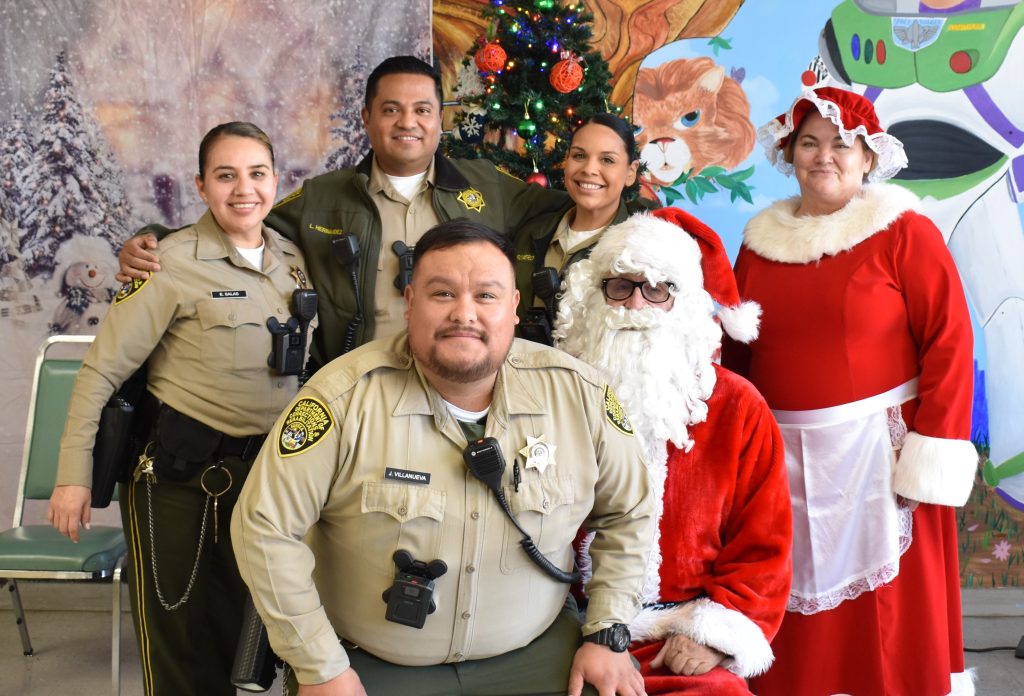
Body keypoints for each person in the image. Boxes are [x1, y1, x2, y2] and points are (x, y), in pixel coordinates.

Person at [230, 219, 655, 696]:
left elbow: (630, 512)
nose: (464, 313)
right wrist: (320, 666)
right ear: (410, 303)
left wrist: (607, 632)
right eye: (443, 294)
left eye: (486, 295)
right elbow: (264, 528)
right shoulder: (339, 400)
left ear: (514, 308)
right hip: (370, 664)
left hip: (534, 652)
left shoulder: (581, 396)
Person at [721, 86, 977, 695]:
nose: (824, 156)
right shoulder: (757, 247)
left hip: (880, 457)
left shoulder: (904, 233)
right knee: (790, 606)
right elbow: (737, 357)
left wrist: (930, 444)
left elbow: (949, 340)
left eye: (841, 145)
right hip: (783, 462)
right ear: (790, 154)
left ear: (868, 157)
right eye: (809, 143)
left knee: (890, 623)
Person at [48, 122, 315, 696]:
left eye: (257, 173)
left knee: (237, 640)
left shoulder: (291, 259)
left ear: (276, 180)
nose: (243, 189)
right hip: (176, 480)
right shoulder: (167, 263)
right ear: (201, 185)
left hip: (259, 480)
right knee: (178, 643)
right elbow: (100, 372)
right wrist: (72, 477)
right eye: (225, 175)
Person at [118, 56, 567, 369]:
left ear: (439, 120)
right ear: (367, 118)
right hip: (359, 392)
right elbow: (240, 217)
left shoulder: (488, 186)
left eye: (422, 110)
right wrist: (157, 237)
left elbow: (575, 208)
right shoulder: (323, 197)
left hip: (460, 385)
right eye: (391, 110)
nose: (407, 122)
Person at [555, 207, 792, 695]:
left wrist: (713, 634)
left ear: (682, 304)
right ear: (595, 295)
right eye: (620, 286)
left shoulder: (738, 407)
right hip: (566, 626)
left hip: (678, 635)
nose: (635, 305)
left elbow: (763, 547)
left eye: (656, 289)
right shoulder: (556, 394)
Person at [513, 113, 650, 342]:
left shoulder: (641, 250)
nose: (589, 169)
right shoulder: (530, 233)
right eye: (579, 155)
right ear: (566, 161)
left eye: (607, 160)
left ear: (630, 172)